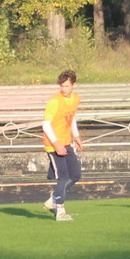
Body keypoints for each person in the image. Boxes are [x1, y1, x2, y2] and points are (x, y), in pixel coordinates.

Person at [42, 70, 86, 222]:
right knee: (63, 176)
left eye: (66, 86)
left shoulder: (75, 99)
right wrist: (55, 143)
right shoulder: (54, 101)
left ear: (74, 85)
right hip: (53, 143)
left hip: (66, 141)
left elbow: (71, 118)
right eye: (61, 86)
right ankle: (59, 210)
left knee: (75, 175)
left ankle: (53, 199)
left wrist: (76, 136)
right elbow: (46, 125)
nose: (63, 89)